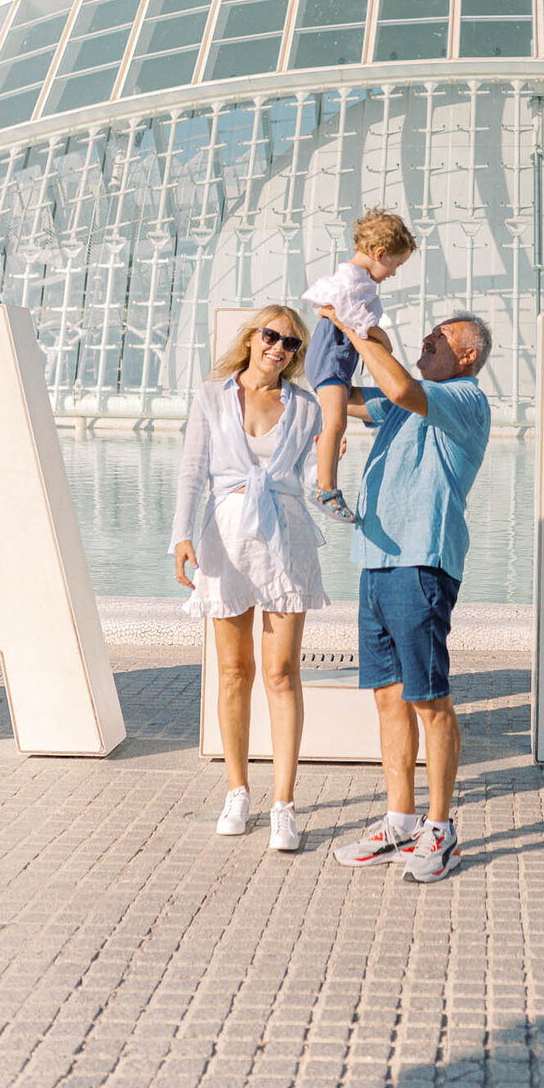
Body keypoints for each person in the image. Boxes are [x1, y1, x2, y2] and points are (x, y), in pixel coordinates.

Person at [325, 310, 492, 883]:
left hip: (422, 561)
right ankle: (399, 822)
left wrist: (357, 332)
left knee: (429, 700)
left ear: (467, 355)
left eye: (440, 337)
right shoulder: (405, 398)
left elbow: (396, 383)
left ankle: (441, 833)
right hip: (375, 559)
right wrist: (319, 345)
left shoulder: (465, 399)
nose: (427, 339)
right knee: (388, 699)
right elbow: (341, 397)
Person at [171, 303, 326, 852]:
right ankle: (238, 790)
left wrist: (329, 462)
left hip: (286, 542)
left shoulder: (306, 407)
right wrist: (180, 535)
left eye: (291, 344)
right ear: (252, 337)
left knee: (281, 672)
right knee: (234, 671)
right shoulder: (213, 395)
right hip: (225, 538)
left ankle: (283, 803)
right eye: (271, 336)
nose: (279, 349)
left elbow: (313, 482)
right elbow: (192, 471)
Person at [301, 207, 417, 524]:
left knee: (365, 408)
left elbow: (322, 299)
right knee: (335, 424)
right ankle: (325, 488)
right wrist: (379, 335)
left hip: (333, 357)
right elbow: (350, 315)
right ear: (379, 253)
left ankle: (375, 422)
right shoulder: (355, 281)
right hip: (331, 358)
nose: (393, 273)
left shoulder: (351, 276)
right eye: (395, 265)